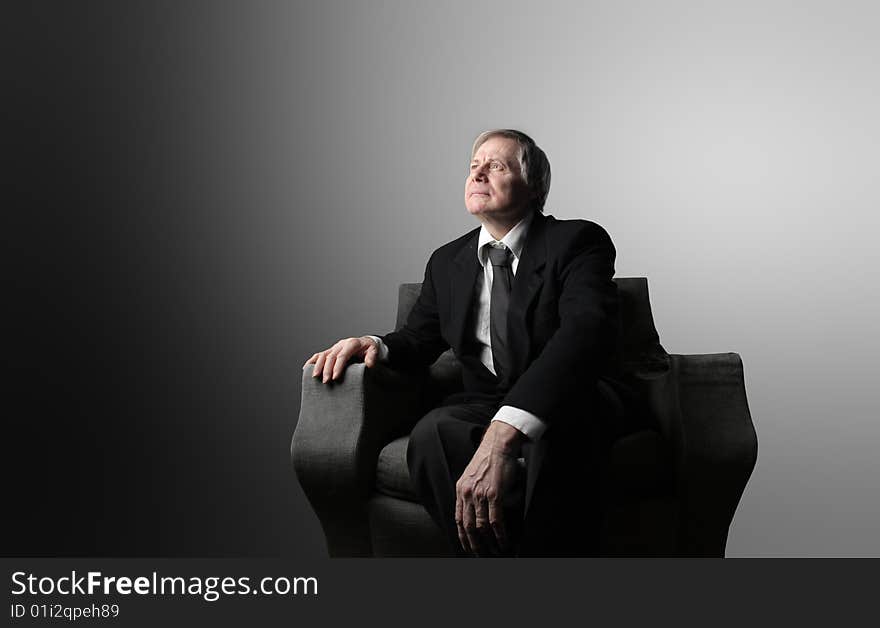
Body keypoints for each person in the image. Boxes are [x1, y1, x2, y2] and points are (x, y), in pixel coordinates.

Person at [305, 129, 636, 557]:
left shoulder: (577, 241)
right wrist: (372, 344)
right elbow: (419, 339)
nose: (478, 173)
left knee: (556, 436)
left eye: (496, 165)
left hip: (573, 394)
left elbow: (584, 333)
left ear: (535, 187)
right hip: (488, 397)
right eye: (473, 165)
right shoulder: (447, 261)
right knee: (433, 433)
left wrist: (506, 430)